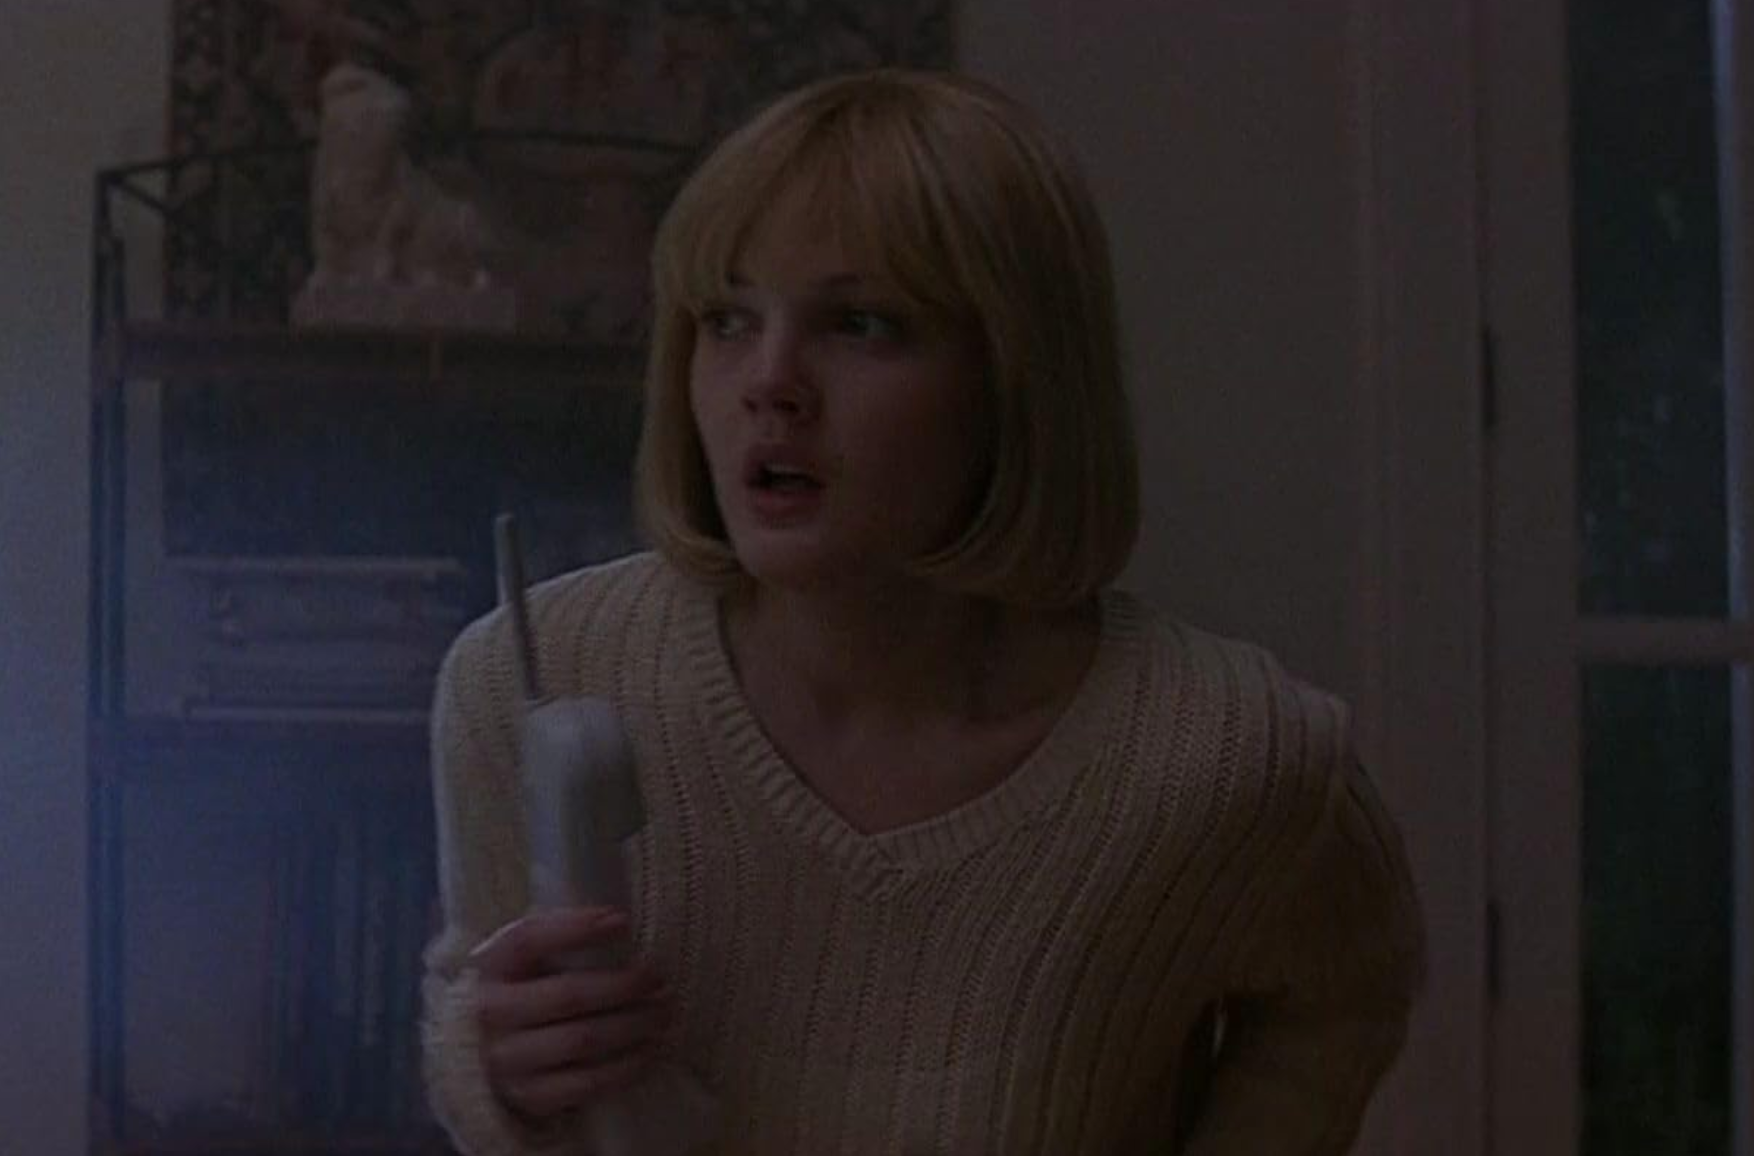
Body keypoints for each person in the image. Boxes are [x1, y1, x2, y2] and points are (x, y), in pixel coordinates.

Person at [418, 67, 1425, 1155]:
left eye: (860, 324)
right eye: (728, 318)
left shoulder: (1226, 752)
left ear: (1015, 379)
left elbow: (1348, 988)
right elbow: (483, 1027)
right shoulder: (536, 676)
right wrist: (503, 1073)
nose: (769, 382)